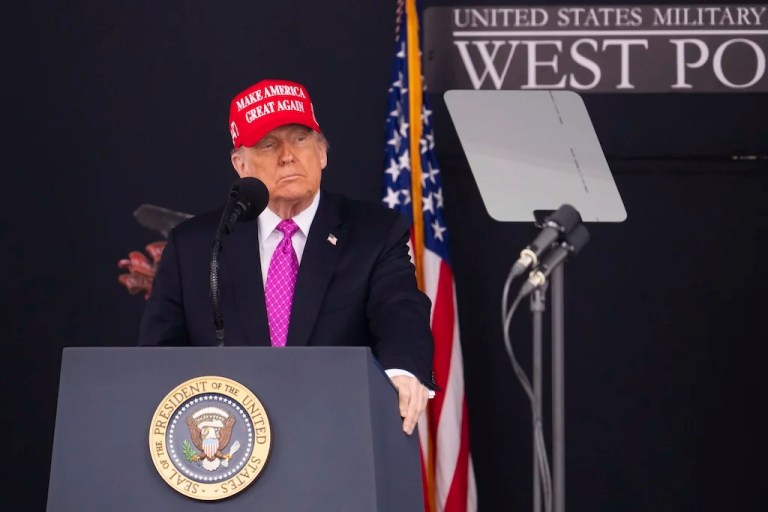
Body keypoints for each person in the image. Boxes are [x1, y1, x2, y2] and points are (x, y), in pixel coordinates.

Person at [139, 78, 435, 435]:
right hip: (228, 449)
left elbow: (400, 309)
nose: (288, 156)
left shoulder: (374, 233)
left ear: (322, 152)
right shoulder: (196, 245)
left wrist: (401, 373)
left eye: (300, 138)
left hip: (339, 435)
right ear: (241, 164)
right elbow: (158, 357)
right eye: (268, 144)